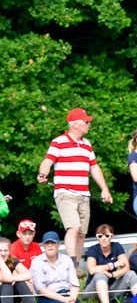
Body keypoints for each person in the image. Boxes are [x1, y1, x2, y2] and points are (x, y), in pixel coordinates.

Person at [37, 108, 112, 277]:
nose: (89, 124)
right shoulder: (59, 141)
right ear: (76, 124)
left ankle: (75, 267)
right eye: (86, 121)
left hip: (83, 194)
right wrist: (43, 174)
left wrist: (104, 189)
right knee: (74, 227)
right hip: (65, 193)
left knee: (82, 233)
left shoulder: (86, 144)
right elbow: (47, 161)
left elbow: (94, 167)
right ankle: (71, 266)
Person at [31, 231, 105, 303]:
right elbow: (41, 290)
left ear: (58, 245)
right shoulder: (37, 262)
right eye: (47, 243)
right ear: (43, 245)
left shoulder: (66, 260)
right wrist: (64, 300)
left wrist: (72, 298)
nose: (50, 246)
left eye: (52, 243)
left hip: (67, 294)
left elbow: (74, 284)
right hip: (47, 298)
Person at [0, 237, 45, 303]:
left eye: (5, 250)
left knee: (20, 282)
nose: (3, 253)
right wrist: (0, 262)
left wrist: (14, 279)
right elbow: (7, 278)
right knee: (7, 284)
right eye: (0, 251)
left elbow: (28, 274)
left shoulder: (12, 260)